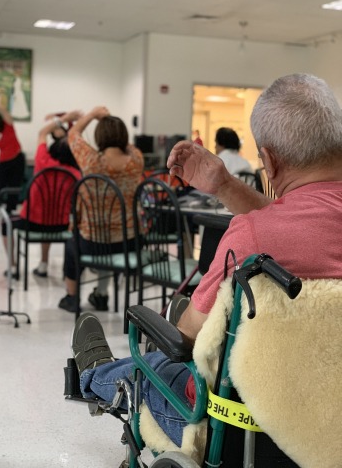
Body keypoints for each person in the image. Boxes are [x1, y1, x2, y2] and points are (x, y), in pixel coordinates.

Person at [69, 74, 342, 464]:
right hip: (333, 425)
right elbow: (309, 223)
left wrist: (186, 323)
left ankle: (97, 373)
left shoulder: (250, 239)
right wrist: (227, 185)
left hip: (242, 433)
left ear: (269, 161)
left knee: (161, 358)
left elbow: (187, 342)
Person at [58, 107, 144, 313]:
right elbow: (130, 147)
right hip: (129, 242)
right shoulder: (136, 160)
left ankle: (72, 297)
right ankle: (102, 294)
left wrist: (92, 115)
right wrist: (109, 120)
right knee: (110, 243)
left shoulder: (91, 161)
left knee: (71, 247)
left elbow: (73, 134)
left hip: (92, 244)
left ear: (98, 137)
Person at [0, 111, 82, 279]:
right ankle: (44, 264)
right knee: (51, 217)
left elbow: (42, 133)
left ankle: (13, 267)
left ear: (51, 150)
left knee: (5, 222)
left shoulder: (43, 161)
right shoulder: (75, 174)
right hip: (62, 225)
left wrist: (64, 119)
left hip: (32, 223)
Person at [0, 99, 26, 214]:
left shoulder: (8, 126)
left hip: (17, 159)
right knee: (0, 185)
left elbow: (4, 112)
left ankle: (10, 208)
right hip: (4, 162)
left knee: (14, 184)